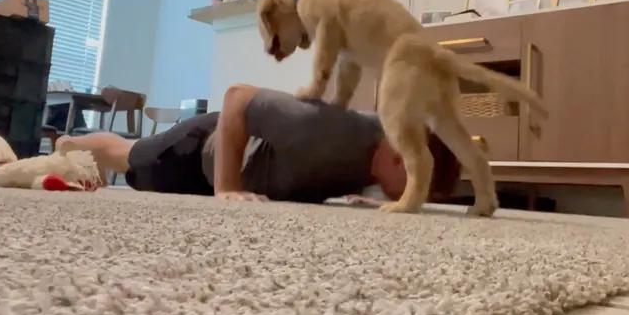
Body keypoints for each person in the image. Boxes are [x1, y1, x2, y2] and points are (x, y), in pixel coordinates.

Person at [56, 84, 460, 205]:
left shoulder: (386, 149)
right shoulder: (322, 128)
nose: (413, 201)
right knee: (129, 156)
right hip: (203, 151)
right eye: (415, 189)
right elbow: (237, 97)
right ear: (399, 158)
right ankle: (72, 142)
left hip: (252, 172)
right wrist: (227, 188)